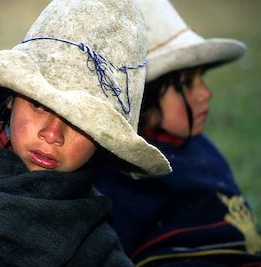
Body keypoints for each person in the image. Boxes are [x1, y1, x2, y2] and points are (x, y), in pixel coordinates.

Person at [0, 0, 171, 266]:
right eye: (38, 104)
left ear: (103, 140)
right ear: (10, 97)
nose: (52, 134)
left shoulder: (92, 224)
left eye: (82, 122)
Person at [95, 0, 261, 266]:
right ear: (143, 99)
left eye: (201, 78)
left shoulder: (201, 148)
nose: (206, 93)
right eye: (186, 83)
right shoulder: (121, 174)